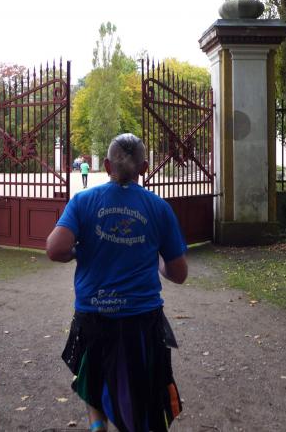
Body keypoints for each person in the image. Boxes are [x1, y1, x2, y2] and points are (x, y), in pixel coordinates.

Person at [46, 133, 188, 432]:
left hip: (93, 315)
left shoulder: (83, 201)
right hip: (142, 320)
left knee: (93, 375)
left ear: (107, 165)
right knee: (141, 392)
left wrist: (77, 252)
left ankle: (98, 426)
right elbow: (179, 273)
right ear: (144, 168)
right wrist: (158, 262)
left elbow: (55, 249)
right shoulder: (159, 207)